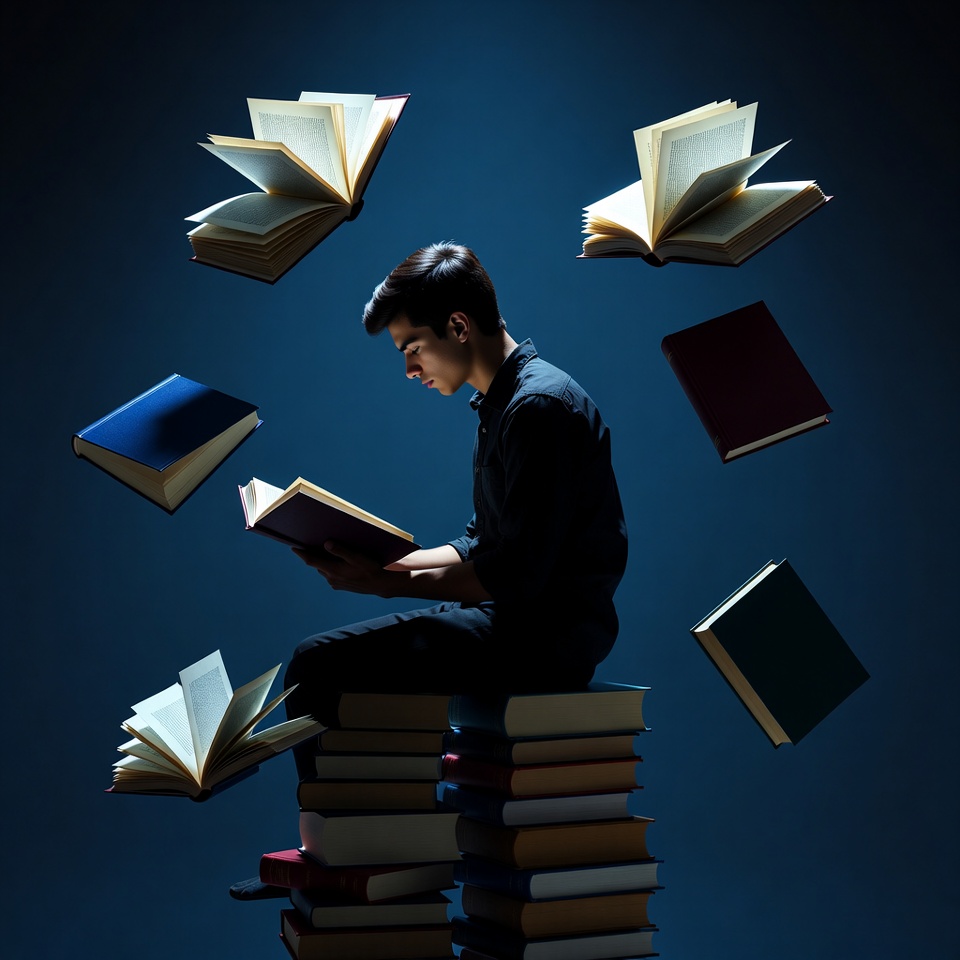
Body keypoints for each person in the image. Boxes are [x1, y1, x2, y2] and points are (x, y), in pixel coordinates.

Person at [229, 241, 627, 898]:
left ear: (459, 326)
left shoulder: (537, 409)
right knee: (355, 658)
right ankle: (374, 845)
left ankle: (337, 854)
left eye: (412, 346)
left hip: (547, 636)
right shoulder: (504, 403)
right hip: (518, 617)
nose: (410, 368)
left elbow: (513, 575)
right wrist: (387, 559)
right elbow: (481, 543)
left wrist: (384, 580)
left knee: (316, 664)